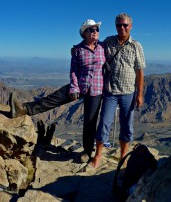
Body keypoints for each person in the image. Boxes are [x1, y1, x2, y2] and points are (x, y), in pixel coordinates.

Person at [9, 19, 106, 163]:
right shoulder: (78, 50)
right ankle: (24, 109)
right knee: (55, 98)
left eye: (97, 29)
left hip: (97, 88)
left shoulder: (104, 47)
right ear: (84, 33)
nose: (95, 32)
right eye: (91, 29)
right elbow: (74, 70)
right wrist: (74, 86)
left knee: (90, 121)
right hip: (80, 84)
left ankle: (87, 151)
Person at [90, 13, 146, 168]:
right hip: (110, 91)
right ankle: (98, 155)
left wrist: (139, 94)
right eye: (119, 25)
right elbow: (93, 46)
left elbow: (140, 71)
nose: (122, 27)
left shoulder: (136, 46)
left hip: (128, 92)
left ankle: (123, 157)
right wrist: (78, 48)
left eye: (125, 25)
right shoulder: (108, 42)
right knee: (104, 124)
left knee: (127, 126)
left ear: (131, 26)